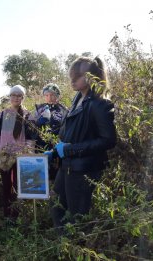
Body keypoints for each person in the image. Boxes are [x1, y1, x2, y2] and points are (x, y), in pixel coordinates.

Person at [48, 56, 116, 229]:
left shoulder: (100, 103)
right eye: (71, 75)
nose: (72, 80)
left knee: (77, 218)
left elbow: (108, 140)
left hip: (84, 170)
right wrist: (56, 151)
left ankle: (76, 249)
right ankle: (63, 247)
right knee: (56, 206)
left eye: (76, 76)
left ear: (91, 76)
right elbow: (70, 133)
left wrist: (70, 149)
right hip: (67, 166)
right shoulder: (77, 98)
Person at [0, 85, 33, 221]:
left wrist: (28, 154)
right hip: (4, 156)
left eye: (18, 95)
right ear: (10, 97)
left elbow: (30, 138)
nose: (15, 98)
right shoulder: (2, 114)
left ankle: (16, 215)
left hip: (20, 156)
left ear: (22, 97)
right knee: (6, 185)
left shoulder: (27, 115)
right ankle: (6, 214)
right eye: (13, 95)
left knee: (17, 186)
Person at [31, 83, 68, 180]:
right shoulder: (39, 108)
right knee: (40, 173)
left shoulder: (63, 110)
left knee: (55, 173)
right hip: (40, 144)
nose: (49, 97)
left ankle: (54, 192)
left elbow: (67, 127)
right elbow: (31, 126)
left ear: (57, 96)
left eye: (52, 95)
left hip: (55, 146)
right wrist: (39, 122)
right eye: (47, 95)